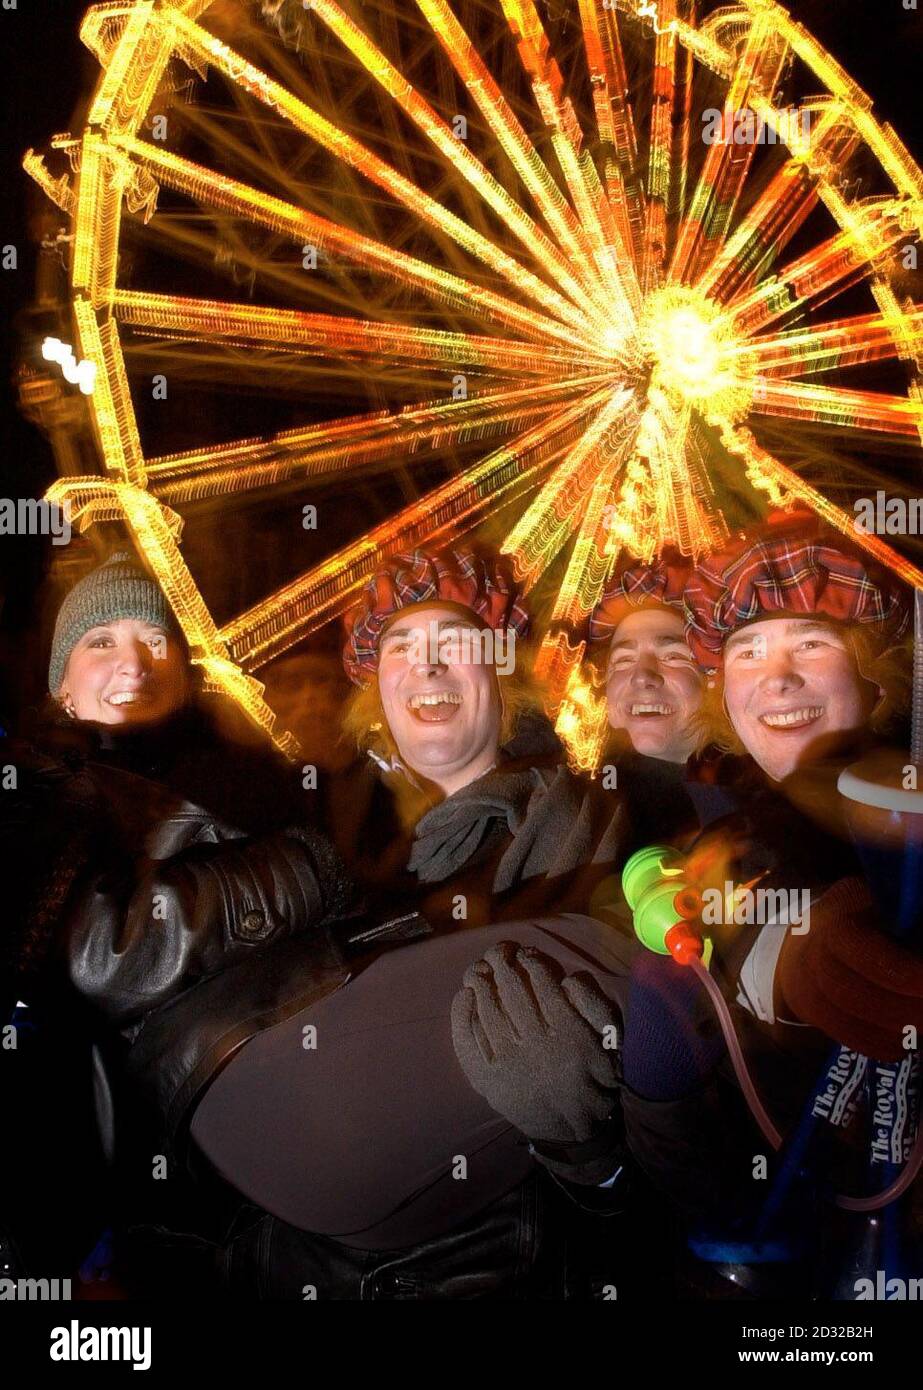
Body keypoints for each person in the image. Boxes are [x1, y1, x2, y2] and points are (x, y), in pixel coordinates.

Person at [184, 545, 646, 1298]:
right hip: (270, 1261)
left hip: (478, 1263)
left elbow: (652, 1168)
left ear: (502, 678)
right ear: (376, 683)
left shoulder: (588, 828)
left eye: (455, 646)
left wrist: (586, 1152)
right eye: (403, 646)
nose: (427, 668)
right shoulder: (300, 819)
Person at [1, 549, 355, 1294]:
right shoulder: (35, 790)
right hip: (140, 1157)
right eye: (100, 642)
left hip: (281, 1110)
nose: (132, 661)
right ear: (60, 685)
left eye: (153, 640)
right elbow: (102, 954)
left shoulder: (248, 781)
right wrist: (295, 875)